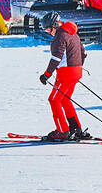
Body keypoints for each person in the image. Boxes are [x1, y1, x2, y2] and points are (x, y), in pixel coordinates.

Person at [38, 11, 90, 140]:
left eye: (48, 29)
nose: (48, 32)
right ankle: (76, 128)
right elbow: (83, 54)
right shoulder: (73, 34)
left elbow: (56, 58)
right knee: (65, 99)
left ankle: (62, 131)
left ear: (54, 25)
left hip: (66, 74)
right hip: (77, 71)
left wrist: (46, 75)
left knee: (54, 100)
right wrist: (76, 68)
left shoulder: (60, 37)